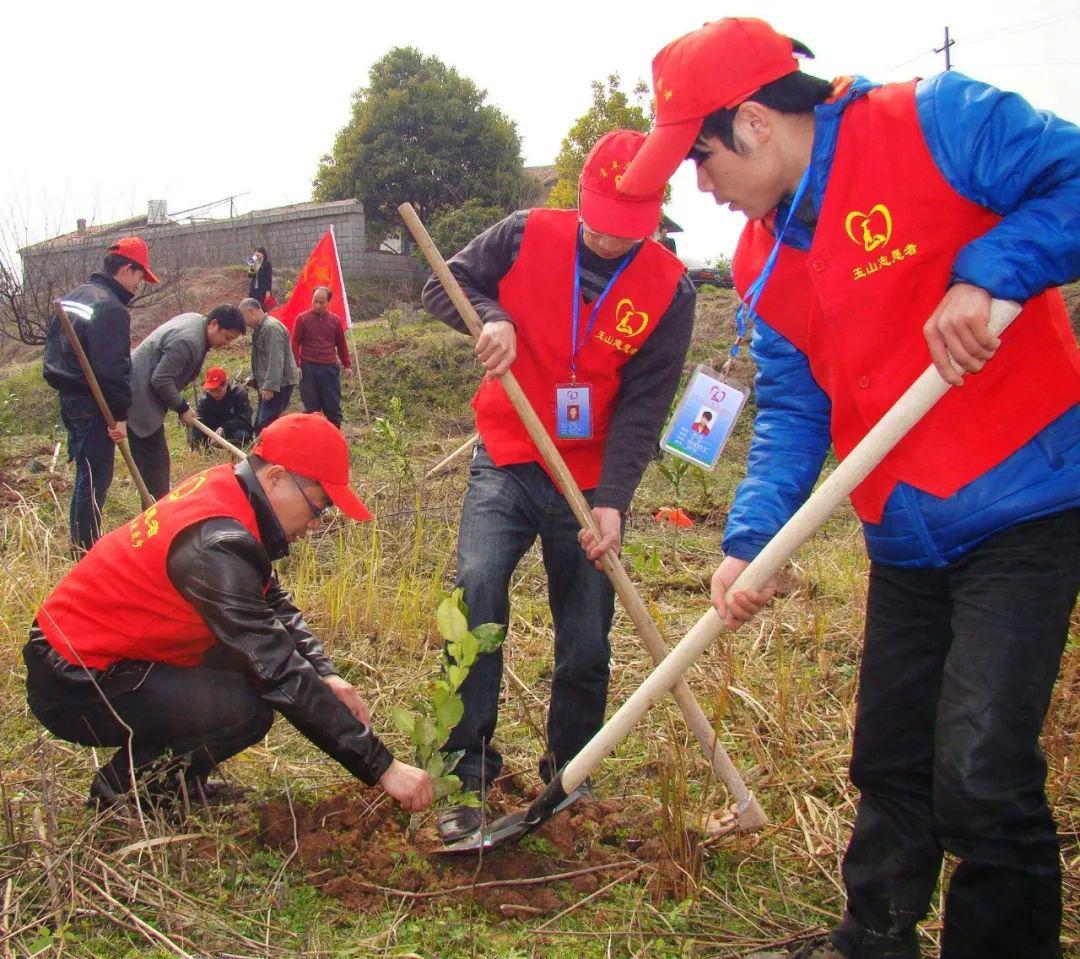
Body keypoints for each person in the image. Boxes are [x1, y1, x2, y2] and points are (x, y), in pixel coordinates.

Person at [618, 17, 1080, 959]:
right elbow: (793, 409)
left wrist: (991, 269)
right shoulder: (760, 257)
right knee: (890, 758)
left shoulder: (935, 123)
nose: (700, 188)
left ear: (753, 123)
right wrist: (753, 538)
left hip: (1026, 501)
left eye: (700, 161)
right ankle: (873, 938)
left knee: (983, 770)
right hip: (905, 531)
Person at [421, 130, 696, 843]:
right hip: (508, 457)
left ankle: (568, 772)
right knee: (477, 590)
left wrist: (614, 499)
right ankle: (466, 776)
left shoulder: (671, 287)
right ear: (581, 198)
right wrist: (492, 317)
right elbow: (439, 283)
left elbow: (643, 406)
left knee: (587, 637)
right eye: (599, 220)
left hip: (590, 479)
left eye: (627, 227)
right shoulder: (521, 236)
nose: (609, 239)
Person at [24, 412, 433, 813]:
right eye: (319, 507)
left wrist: (326, 673)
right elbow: (277, 669)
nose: (315, 524)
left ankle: (172, 782)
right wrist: (383, 766)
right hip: (75, 681)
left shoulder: (228, 492)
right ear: (276, 477)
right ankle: (128, 791)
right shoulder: (215, 545)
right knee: (243, 708)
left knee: (248, 684)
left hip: (105, 655)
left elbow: (270, 600)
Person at [42, 237, 159, 552]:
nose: (139, 285)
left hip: (71, 396)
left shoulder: (77, 295)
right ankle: (85, 549)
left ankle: (83, 542)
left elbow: (54, 350)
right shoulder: (109, 307)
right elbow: (112, 369)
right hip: (92, 402)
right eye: (139, 276)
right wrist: (120, 415)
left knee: (87, 473)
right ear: (125, 269)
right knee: (95, 478)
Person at [127, 306, 247, 499]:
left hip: (140, 392)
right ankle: (156, 514)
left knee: (157, 464)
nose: (227, 343)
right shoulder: (189, 341)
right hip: (139, 399)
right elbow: (161, 379)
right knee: (156, 466)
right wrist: (182, 408)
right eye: (226, 337)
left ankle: (156, 506)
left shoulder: (196, 320)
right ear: (213, 323)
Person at [290, 287, 354, 429]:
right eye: (315, 301)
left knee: (333, 407)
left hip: (329, 369)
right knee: (311, 409)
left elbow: (342, 345)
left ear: (328, 302)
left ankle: (334, 437)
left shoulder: (335, 321)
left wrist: (347, 365)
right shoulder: (302, 319)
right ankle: (313, 440)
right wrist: (296, 365)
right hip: (308, 369)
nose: (318, 305)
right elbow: (294, 344)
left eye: (322, 302)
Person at [240, 297, 299, 434]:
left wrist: (270, 385)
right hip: (268, 384)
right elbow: (261, 359)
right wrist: (253, 377)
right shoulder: (259, 329)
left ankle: (271, 454)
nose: (243, 322)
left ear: (250, 312)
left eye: (243, 317)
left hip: (279, 385)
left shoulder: (271, 328)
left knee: (266, 425)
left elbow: (275, 359)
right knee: (261, 425)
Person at [193, 366, 253, 448]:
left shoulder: (238, 394)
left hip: (232, 432)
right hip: (212, 434)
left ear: (226, 385)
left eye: (218, 390)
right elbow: (199, 421)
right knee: (196, 430)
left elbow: (244, 420)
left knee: (242, 435)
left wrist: (224, 428)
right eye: (211, 390)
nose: (214, 394)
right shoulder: (205, 400)